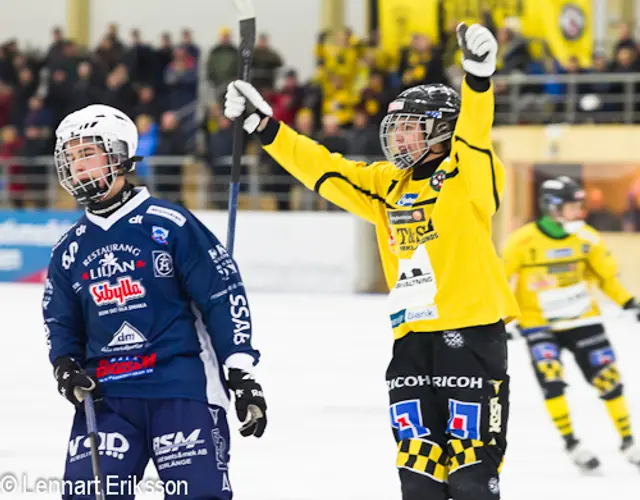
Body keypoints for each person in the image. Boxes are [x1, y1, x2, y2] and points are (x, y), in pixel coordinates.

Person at [224, 23, 518, 500]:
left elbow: (476, 140)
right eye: (396, 127)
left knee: (469, 473)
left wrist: (478, 82)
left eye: (410, 127)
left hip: (472, 335)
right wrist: (265, 127)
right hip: (410, 340)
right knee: (418, 475)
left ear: (443, 131)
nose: (398, 137)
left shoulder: (470, 177)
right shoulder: (387, 185)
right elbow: (326, 168)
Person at [42, 104, 267, 500]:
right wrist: (65, 365)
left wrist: (241, 371)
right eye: (71, 157)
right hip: (107, 397)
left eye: (87, 152)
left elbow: (222, 295)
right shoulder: (68, 250)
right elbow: (60, 321)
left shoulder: (171, 224)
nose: (78, 166)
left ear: (119, 154)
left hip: (182, 390)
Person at [502, 176, 640, 471]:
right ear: (552, 208)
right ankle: (572, 443)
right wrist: (501, 320)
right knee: (551, 379)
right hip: (538, 325)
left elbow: (607, 279)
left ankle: (629, 441)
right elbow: (501, 282)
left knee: (608, 379)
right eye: (572, 206)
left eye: (580, 205)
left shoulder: (587, 238)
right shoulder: (521, 241)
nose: (580, 212)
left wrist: (630, 302)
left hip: (583, 321)